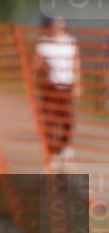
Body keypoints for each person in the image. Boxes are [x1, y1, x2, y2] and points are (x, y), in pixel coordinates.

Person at [32, 15, 81, 169]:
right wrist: (38, 75)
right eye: (56, 23)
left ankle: (63, 147)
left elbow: (76, 63)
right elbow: (35, 65)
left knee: (68, 120)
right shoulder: (44, 44)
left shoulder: (70, 42)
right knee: (50, 122)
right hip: (50, 88)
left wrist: (79, 85)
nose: (59, 26)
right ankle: (52, 153)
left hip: (66, 87)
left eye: (61, 23)